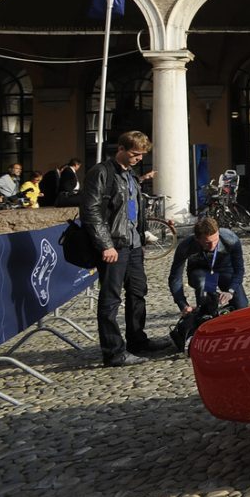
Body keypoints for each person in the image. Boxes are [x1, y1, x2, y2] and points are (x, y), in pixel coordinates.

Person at [80, 130, 169, 367]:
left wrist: (142, 234)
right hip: (115, 246)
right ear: (120, 148)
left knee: (138, 292)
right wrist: (105, 245)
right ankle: (113, 351)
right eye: (134, 153)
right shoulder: (102, 172)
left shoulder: (130, 175)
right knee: (110, 299)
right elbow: (91, 212)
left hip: (134, 244)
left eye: (141, 155)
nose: (138, 158)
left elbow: (133, 209)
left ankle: (137, 340)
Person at [169, 215, 248, 314]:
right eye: (207, 243)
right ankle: (206, 313)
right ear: (197, 239)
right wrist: (183, 305)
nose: (212, 245)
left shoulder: (231, 239)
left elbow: (239, 269)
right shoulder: (186, 246)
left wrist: (231, 291)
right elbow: (175, 277)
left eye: (215, 241)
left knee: (241, 307)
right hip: (201, 271)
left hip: (224, 269)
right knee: (207, 301)